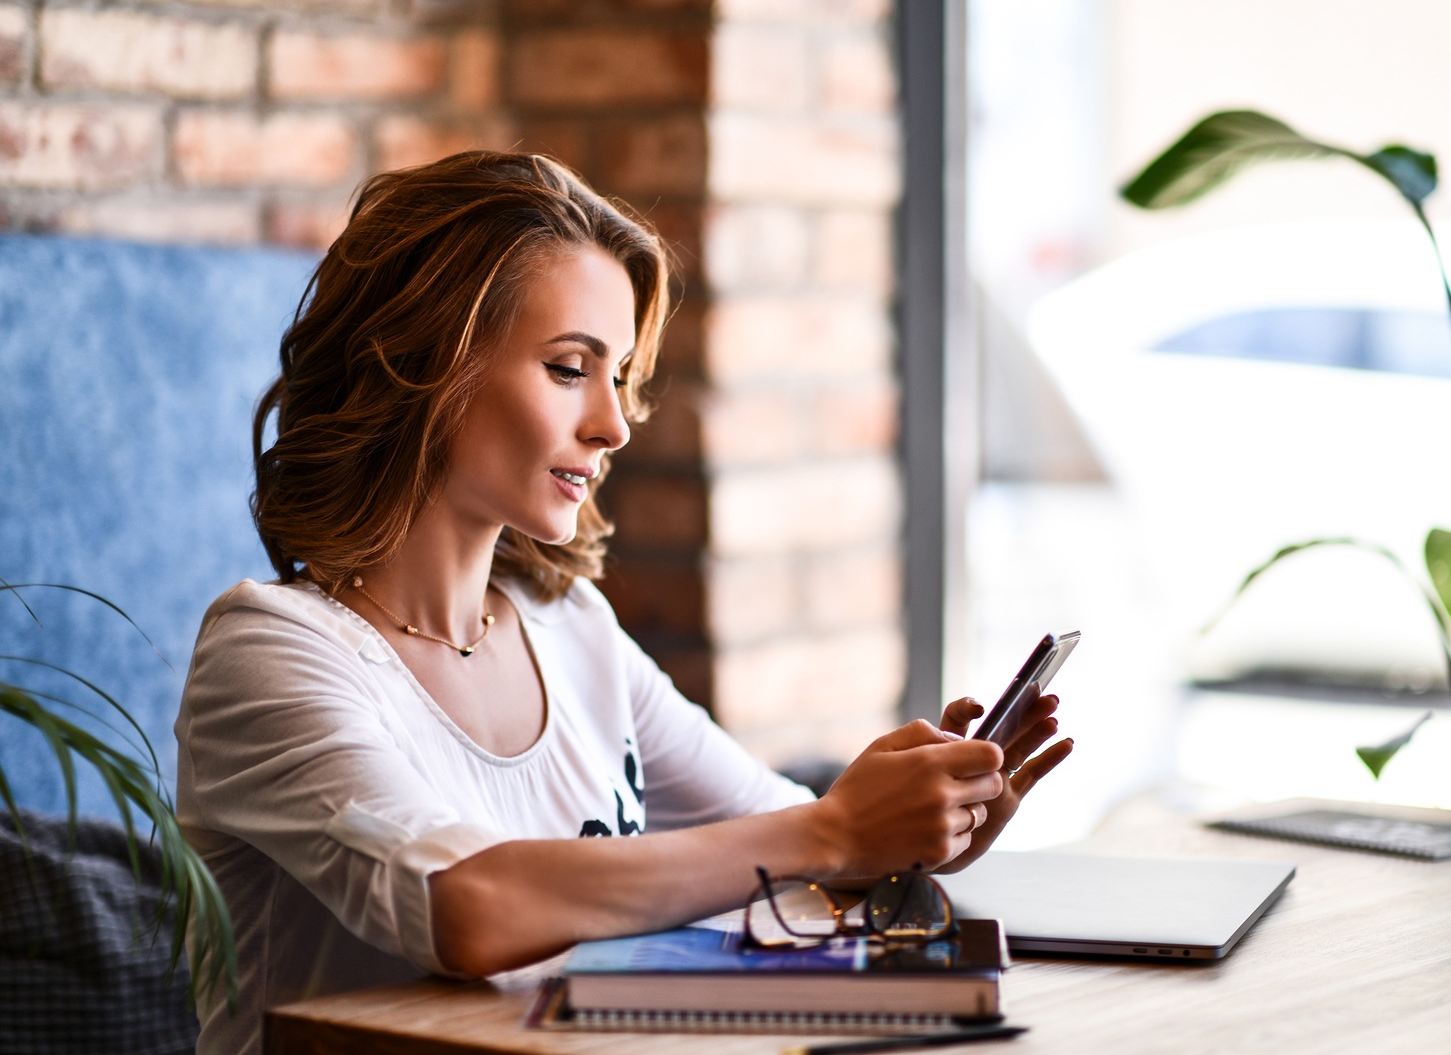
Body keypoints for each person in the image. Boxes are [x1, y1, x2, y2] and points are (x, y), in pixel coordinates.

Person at [174, 151, 1074, 1055]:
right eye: (571, 368)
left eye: (620, 379)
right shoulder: (269, 651)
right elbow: (466, 906)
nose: (613, 424)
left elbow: (787, 852)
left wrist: (903, 835)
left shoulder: (570, 630)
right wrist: (835, 829)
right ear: (423, 364)